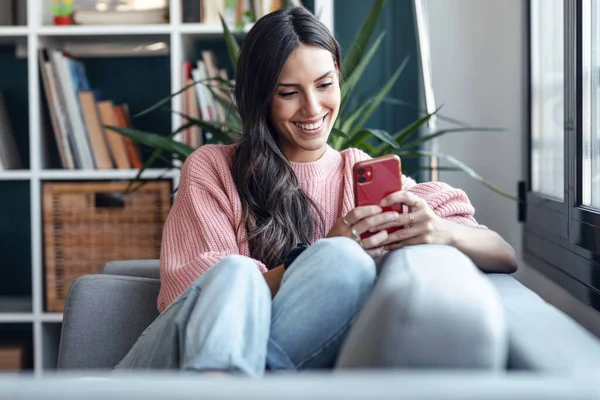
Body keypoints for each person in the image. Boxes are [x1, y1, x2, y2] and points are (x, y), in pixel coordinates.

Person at [114, 6, 517, 375]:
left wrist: (438, 231)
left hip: (274, 365)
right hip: (180, 356)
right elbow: (195, 292)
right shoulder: (213, 167)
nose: (312, 109)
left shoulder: (356, 172)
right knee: (244, 271)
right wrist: (314, 257)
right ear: (261, 98)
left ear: (338, 75)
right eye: (289, 93)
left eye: (324, 84)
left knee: (346, 261)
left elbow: (503, 253)